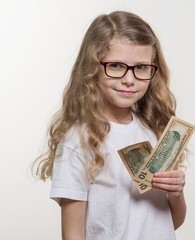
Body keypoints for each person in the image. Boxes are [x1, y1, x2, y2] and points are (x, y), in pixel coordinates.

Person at [34, 10, 186, 240]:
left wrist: (176, 193)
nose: (129, 78)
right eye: (116, 65)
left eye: (141, 67)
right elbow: (73, 235)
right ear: (92, 68)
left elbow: (170, 222)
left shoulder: (154, 130)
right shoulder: (79, 140)